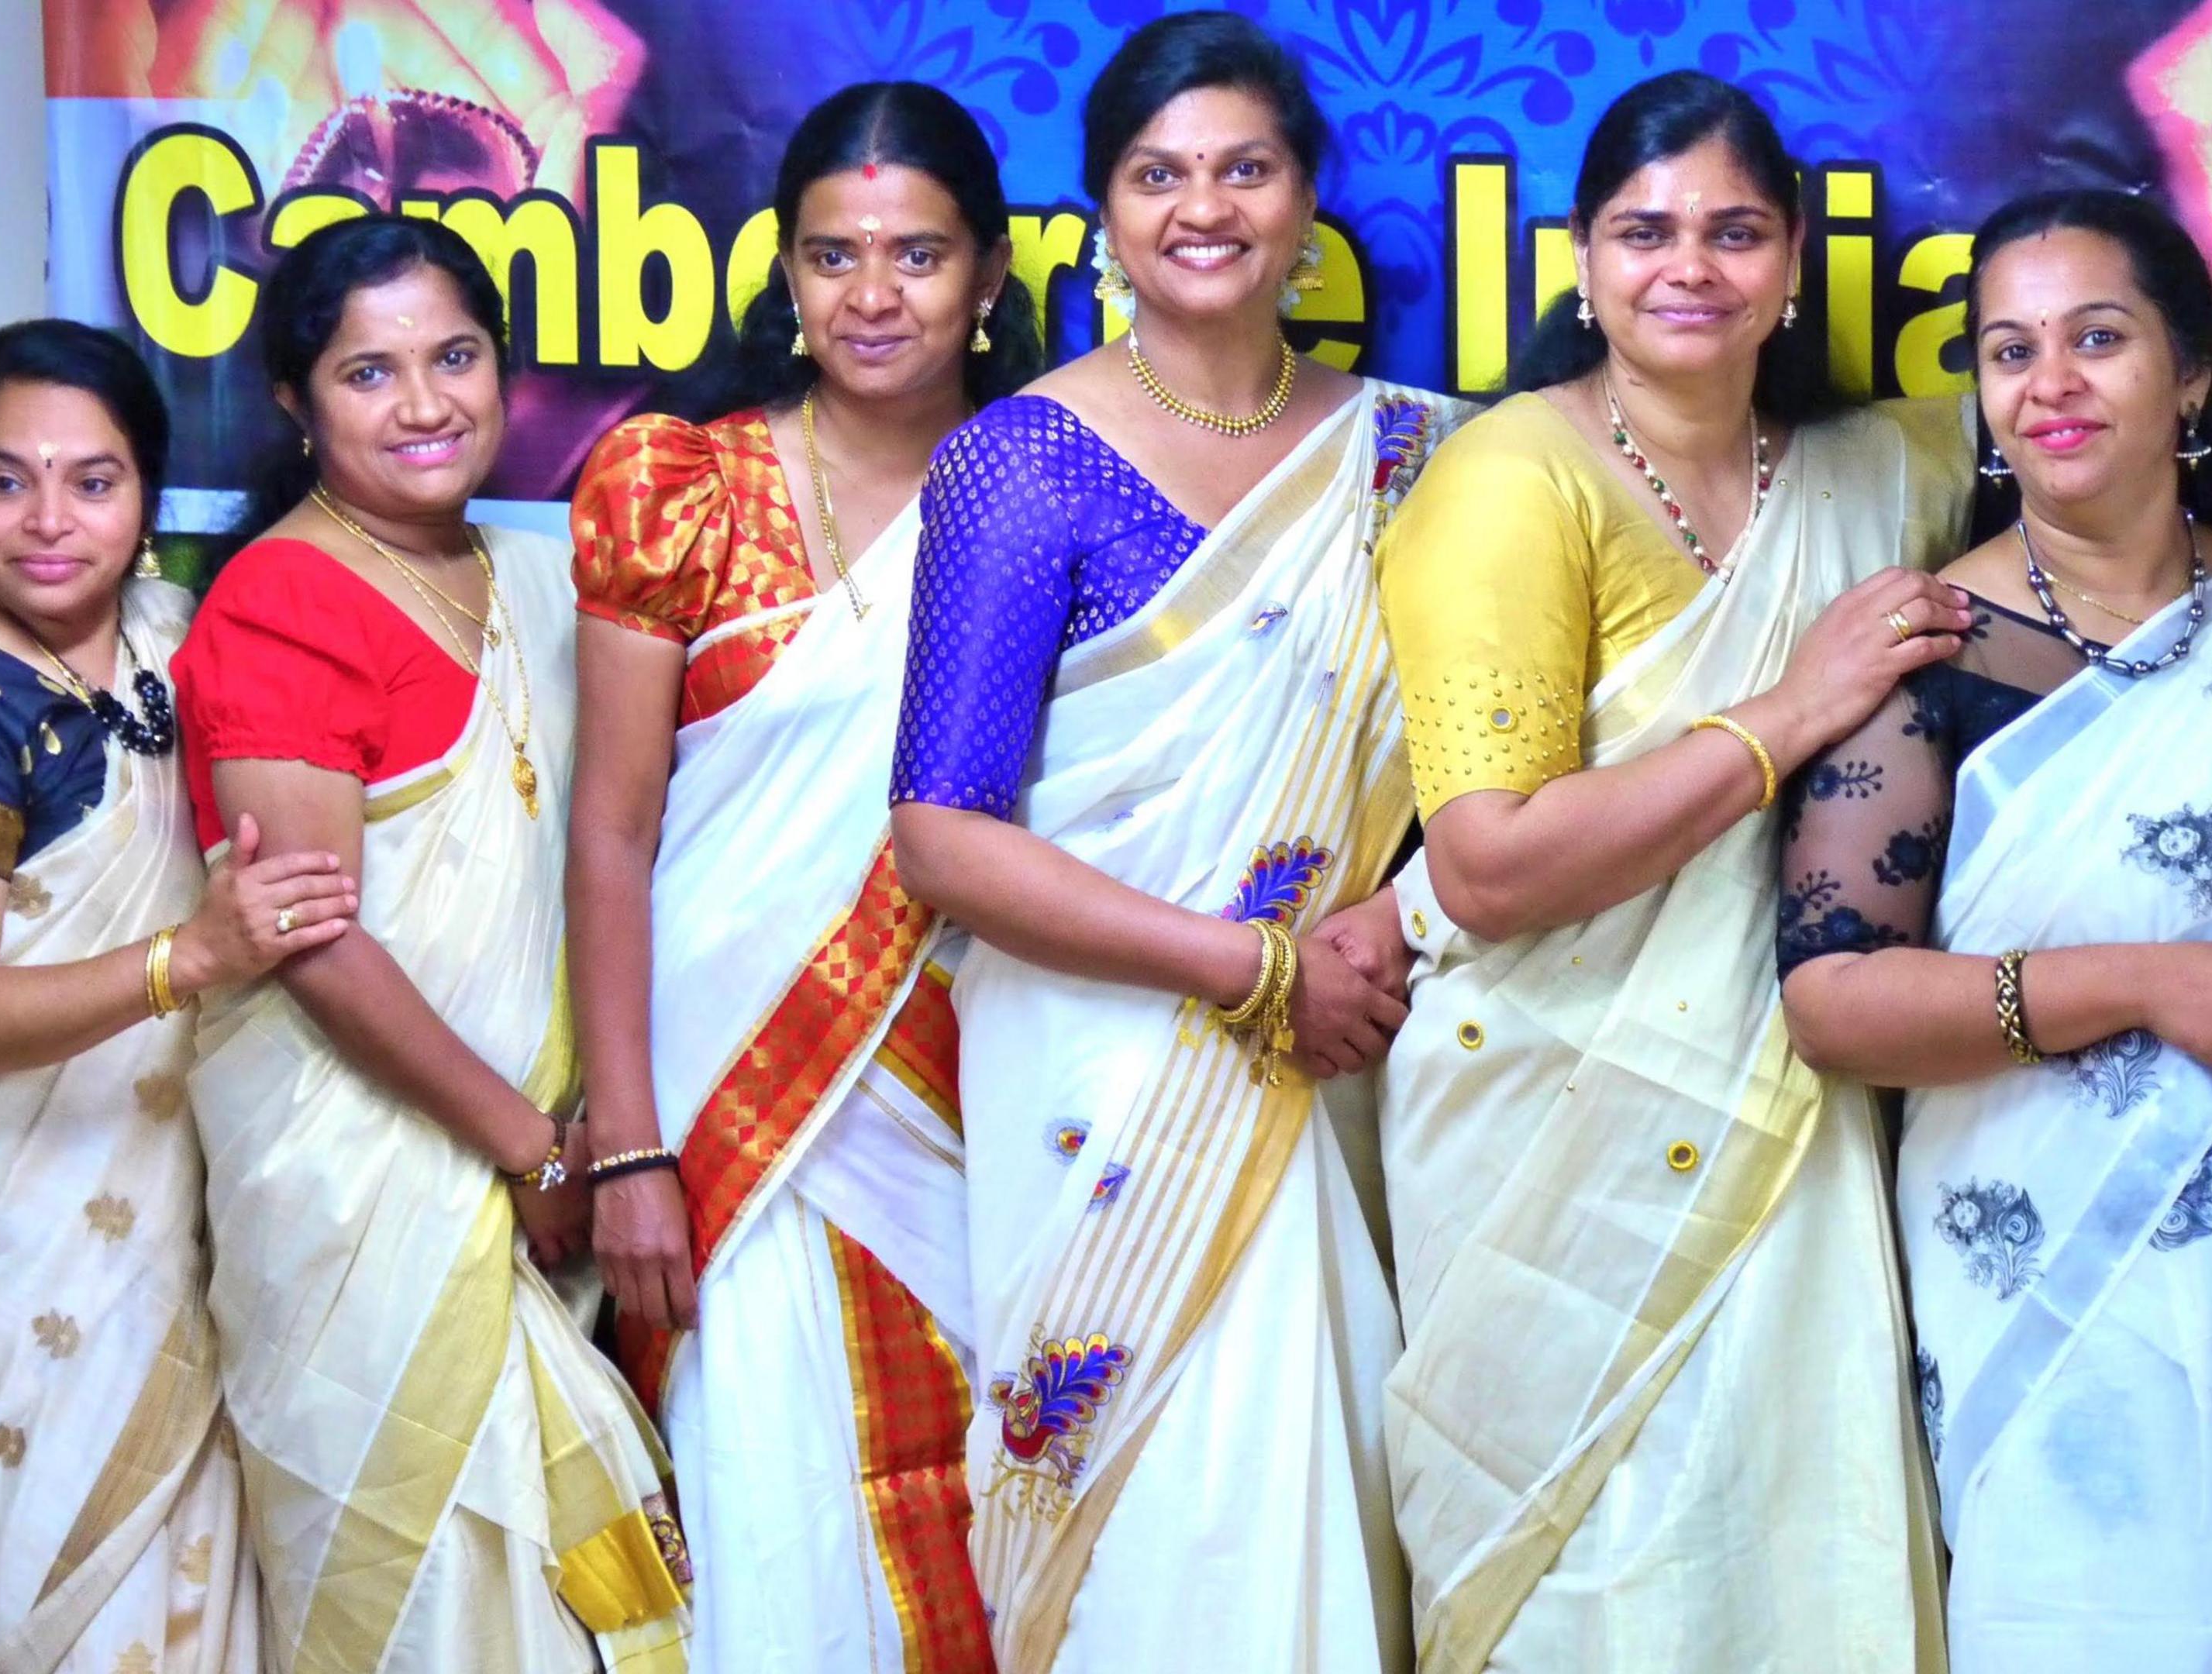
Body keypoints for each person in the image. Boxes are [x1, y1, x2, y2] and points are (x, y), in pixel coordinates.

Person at [1775, 188, 2212, 1672]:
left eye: (2098, 338)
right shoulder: (1920, 649)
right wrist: (2140, 984)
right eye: (2010, 352)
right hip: (2030, 1277)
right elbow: (1834, 1002)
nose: (2051, 383)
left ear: (2192, 373)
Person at [1372, 71, 1979, 1674]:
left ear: (1792, 262)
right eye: (1644, 232)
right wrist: (1793, 711)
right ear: (1579, 262)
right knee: (1589, 1584)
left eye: (1732, 231)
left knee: (1790, 1551)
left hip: (1790, 1111)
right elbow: (1490, 870)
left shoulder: (1882, 476)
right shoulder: (1511, 480)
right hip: (1549, 1112)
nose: (1686, 266)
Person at [885, 12, 1469, 1669]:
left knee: (1323, 1456)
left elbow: (1492, 777)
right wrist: (1244, 966)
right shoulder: (1018, 461)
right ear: (1101, 213)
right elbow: (942, 835)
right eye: (1160, 174)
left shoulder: (1418, 452)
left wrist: (1377, 935)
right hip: (1103, 1056)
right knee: (1146, 1500)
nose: (1203, 206)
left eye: (1246, 168)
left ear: (1308, 199)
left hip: (1341, 1045)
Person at [171, 215, 690, 1672]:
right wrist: (526, 1145)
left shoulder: (527, 577)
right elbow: (311, 940)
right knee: (424, 1602)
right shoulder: (281, 602)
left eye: (455, 357)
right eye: (369, 373)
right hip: (368, 1187)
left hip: (540, 1170)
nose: (424, 405)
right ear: (295, 400)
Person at [568, 78, 1040, 1674]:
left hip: (984, 1081)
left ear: (987, 274)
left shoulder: (1054, 483)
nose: (874, 295)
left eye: (916, 256)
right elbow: (613, 833)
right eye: (835, 257)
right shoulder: (676, 488)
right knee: (763, 1478)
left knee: (988, 1484)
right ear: (783, 275)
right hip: (726, 1104)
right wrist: (627, 1142)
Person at [0, 322, 350, 1674]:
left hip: (179, 1211)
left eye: (94, 481)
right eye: (6, 480)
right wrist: (183, 960)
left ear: (147, 498)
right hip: (14, 1247)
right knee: (32, 1595)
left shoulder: (162, 640)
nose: (49, 522)